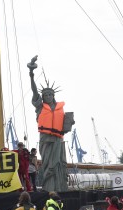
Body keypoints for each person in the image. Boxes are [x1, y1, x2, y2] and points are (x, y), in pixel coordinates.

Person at [27, 55, 74, 192]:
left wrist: (69, 123)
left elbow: (63, 123)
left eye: (50, 94)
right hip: (46, 140)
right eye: (45, 95)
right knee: (48, 164)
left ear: (53, 96)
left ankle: (60, 187)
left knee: (60, 163)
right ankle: (49, 189)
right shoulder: (40, 107)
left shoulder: (60, 108)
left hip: (58, 139)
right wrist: (31, 74)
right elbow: (34, 91)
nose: (48, 96)